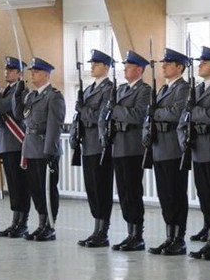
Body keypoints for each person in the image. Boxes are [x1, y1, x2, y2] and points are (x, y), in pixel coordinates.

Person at [178, 46, 210, 260]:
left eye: (204, 62)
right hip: (198, 147)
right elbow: (184, 117)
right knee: (204, 196)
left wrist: (194, 111)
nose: (199, 65)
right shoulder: (198, 89)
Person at [100, 50, 151, 251]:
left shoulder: (144, 90)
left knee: (132, 190)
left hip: (132, 146)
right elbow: (107, 114)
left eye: (128, 66)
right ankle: (130, 231)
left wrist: (116, 110)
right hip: (118, 145)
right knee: (122, 192)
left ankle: (137, 234)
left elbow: (139, 115)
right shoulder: (120, 90)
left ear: (139, 69)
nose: (124, 69)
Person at [146, 48, 191, 255]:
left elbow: (177, 113)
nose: (163, 66)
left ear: (179, 67)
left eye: (168, 63)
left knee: (176, 195)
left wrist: (157, 113)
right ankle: (169, 235)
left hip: (173, 146)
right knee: (165, 195)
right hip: (159, 146)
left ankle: (179, 238)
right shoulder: (163, 89)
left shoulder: (183, 88)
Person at [15, 57, 65, 242]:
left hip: (45, 148)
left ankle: (50, 226)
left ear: (45, 74)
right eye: (31, 72)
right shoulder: (32, 96)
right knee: (35, 188)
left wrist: (50, 151)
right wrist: (17, 96)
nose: (32, 74)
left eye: (35, 72)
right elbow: (21, 115)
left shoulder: (54, 96)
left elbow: (54, 126)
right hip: (31, 147)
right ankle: (41, 222)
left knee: (47, 189)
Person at [74, 50, 115, 248]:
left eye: (96, 64)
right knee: (91, 188)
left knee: (101, 188)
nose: (92, 67)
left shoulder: (109, 89)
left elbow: (102, 116)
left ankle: (103, 231)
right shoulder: (89, 89)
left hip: (100, 144)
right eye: (92, 64)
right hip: (87, 144)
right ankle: (96, 227)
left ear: (106, 67)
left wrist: (83, 110)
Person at [0, 57, 30, 238]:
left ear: (20, 74)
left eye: (11, 69)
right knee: (13, 186)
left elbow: (1, 107)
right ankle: (15, 220)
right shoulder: (5, 90)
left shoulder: (20, 91)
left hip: (16, 143)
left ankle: (22, 221)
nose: (6, 72)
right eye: (6, 69)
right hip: (5, 143)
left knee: (20, 184)